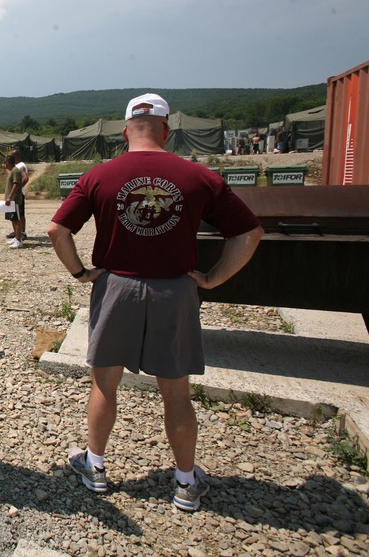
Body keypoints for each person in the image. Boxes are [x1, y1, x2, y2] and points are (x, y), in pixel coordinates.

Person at [47, 93, 263, 513]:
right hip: (174, 290)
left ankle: (95, 466)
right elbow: (249, 233)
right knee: (176, 392)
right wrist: (213, 278)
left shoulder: (99, 174)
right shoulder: (198, 175)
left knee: (104, 383)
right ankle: (185, 483)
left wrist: (80, 273)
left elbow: (58, 230)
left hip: (116, 287)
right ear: (167, 130)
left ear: (125, 130)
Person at [5, 150, 29, 241]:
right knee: (14, 216)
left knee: (19, 215)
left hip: (17, 195)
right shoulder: (15, 168)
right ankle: (17, 233)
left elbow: (25, 178)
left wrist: (18, 189)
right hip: (15, 194)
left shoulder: (21, 166)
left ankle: (21, 233)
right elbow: (12, 176)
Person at [3, 156, 25, 249]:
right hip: (11, 200)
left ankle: (19, 240)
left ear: (8, 162)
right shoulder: (13, 171)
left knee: (16, 219)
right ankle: (16, 237)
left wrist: (9, 197)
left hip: (14, 200)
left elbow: (16, 184)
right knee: (12, 219)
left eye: (5, 162)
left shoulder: (16, 171)